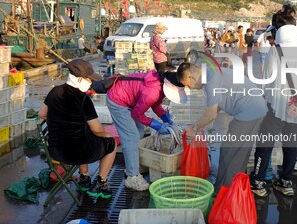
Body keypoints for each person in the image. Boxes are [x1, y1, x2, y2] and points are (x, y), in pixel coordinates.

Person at [176, 63, 268, 194]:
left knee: (232, 155)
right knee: (234, 153)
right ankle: (229, 191)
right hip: (253, 109)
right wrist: (201, 125)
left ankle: (226, 194)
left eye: (186, 84)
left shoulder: (211, 80)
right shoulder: (210, 72)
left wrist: (194, 128)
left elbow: (212, 114)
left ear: (191, 77)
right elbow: (217, 106)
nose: (189, 88)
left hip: (250, 112)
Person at [251, 12, 297, 198]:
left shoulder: (275, 51)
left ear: (278, 31)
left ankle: (259, 181)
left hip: (276, 105)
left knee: (265, 143)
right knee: (291, 144)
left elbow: (267, 80)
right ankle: (285, 181)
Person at [39, 59, 117, 199]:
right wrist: (108, 135)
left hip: (56, 151)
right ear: (80, 79)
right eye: (89, 79)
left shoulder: (54, 91)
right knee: (111, 143)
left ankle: (84, 178)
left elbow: (42, 114)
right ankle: (101, 183)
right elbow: (97, 130)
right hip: (75, 153)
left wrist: (60, 120)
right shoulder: (83, 99)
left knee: (82, 136)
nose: (91, 83)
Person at [104, 71, 187, 191]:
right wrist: (158, 125)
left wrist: (166, 118)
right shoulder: (152, 92)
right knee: (131, 137)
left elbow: (155, 105)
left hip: (129, 99)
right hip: (117, 100)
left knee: (139, 132)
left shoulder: (160, 84)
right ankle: (132, 176)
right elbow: (137, 113)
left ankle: (133, 164)